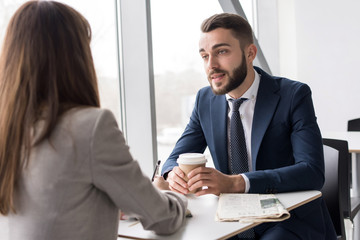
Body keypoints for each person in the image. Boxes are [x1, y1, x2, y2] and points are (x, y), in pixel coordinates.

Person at [0, 1, 187, 240]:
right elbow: (164, 219)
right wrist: (172, 195)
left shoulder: (8, 128)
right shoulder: (89, 127)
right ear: (75, 58)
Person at [161, 13, 336, 239]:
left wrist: (237, 183)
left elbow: (312, 172)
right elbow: (175, 157)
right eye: (204, 56)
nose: (211, 65)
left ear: (250, 53)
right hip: (229, 221)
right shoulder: (205, 100)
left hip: (288, 221)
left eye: (221, 52)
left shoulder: (293, 95)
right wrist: (171, 173)